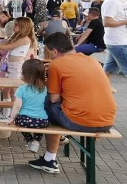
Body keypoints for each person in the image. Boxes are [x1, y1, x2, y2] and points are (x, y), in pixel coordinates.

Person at [28, 33, 117, 174]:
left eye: (48, 51)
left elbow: (54, 99)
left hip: (80, 121)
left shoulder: (56, 64)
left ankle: (50, 158)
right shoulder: (91, 61)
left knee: (44, 102)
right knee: (62, 104)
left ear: (55, 51)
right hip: (107, 120)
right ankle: (56, 145)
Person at [0, 17, 38, 118]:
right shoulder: (17, 37)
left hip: (17, 67)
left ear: (23, 27)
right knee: (6, 90)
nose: (13, 27)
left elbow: (7, 47)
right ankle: (5, 114)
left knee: (14, 92)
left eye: (16, 25)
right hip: (11, 67)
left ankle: (13, 116)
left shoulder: (25, 39)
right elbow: (4, 45)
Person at [6, 60, 50, 154]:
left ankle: (29, 139)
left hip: (25, 120)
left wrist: (12, 118)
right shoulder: (45, 89)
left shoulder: (22, 89)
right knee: (38, 127)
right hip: (42, 120)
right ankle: (36, 141)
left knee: (19, 122)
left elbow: (17, 106)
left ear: (26, 75)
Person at [101, 0, 127, 85]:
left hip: (118, 40)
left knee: (109, 69)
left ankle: (102, 89)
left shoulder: (121, 0)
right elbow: (107, 22)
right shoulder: (112, 1)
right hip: (118, 42)